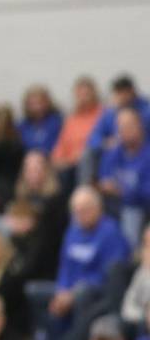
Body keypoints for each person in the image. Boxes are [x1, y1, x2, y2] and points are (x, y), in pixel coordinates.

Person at [47, 187, 131, 340]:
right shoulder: (72, 231)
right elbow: (64, 267)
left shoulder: (111, 232)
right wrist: (62, 290)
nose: (80, 215)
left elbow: (110, 275)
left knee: (82, 294)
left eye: (85, 210)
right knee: (36, 293)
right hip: (70, 290)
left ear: (98, 208)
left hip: (95, 292)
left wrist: (72, 293)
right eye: (76, 211)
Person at [98, 108, 150, 248]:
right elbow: (104, 178)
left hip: (139, 207)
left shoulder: (147, 154)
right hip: (112, 204)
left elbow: (147, 193)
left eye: (129, 126)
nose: (124, 130)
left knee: (130, 213)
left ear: (140, 126)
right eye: (121, 127)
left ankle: (130, 257)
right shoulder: (114, 152)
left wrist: (122, 191)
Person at [52, 78, 103, 181]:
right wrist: (57, 160)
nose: (83, 98)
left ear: (94, 94)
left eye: (86, 94)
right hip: (68, 165)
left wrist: (75, 158)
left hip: (91, 163)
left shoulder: (103, 115)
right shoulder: (71, 119)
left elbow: (102, 142)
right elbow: (61, 144)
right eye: (79, 95)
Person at [121, 224, 150, 338]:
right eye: (146, 244)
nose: (146, 250)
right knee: (104, 326)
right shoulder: (143, 270)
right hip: (140, 321)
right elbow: (128, 304)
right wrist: (142, 316)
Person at [18, 86, 63, 156]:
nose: (37, 107)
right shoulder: (22, 126)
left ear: (47, 103)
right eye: (32, 104)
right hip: (28, 163)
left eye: (40, 103)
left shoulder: (57, 123)